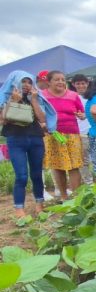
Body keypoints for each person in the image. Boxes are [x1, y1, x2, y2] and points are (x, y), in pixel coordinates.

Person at [0, 70, 57, 218]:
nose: (26, 85)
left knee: (37, 174)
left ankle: (39, 204)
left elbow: (43, 118)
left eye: (29, 82)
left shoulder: (36, 97)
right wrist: (13, 101)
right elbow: (3, 120)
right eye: (23, 81)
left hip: (35, 138)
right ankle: (19, 207)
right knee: (21, 176)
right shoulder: (5, 97)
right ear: (15, 82)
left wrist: (33, 100)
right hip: (15, 139)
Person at [41, 70, 84, 199]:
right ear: (48, 82)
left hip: (72, 134)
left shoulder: (73, 95)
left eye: (62, 80)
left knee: (74, 165)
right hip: (52, 135)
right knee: (57, 165)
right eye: (57, 79)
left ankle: (77, 198)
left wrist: (82, 115)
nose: (60, 82)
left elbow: (81, 112)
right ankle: (64, 196)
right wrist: (42, 123)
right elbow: (38, 113)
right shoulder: (42, 96)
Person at [71, 74, 93, 184]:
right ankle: (88, 184)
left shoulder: (93, 97)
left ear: (87, 84)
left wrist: (87, 115)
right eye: (78, 84)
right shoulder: (71, 97)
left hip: (94, 131)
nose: (81, 86)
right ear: (73, 84)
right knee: (83, 160)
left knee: (95, 159)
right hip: (79, 132)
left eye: (83, 83)